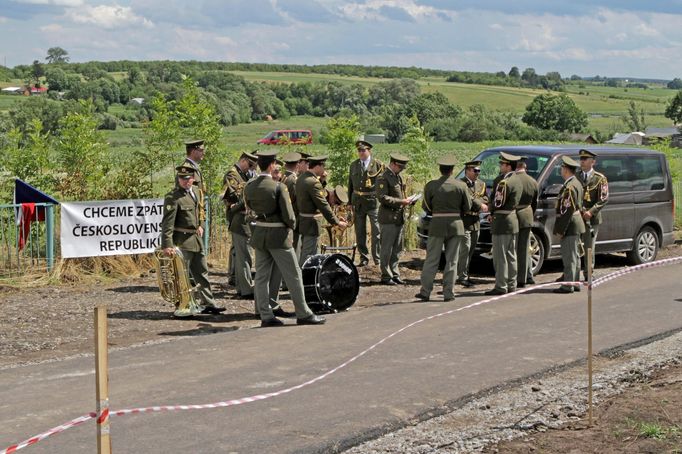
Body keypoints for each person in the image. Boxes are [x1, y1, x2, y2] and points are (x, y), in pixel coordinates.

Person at [243, 150, 326, 327]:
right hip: (279, 237)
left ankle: (264, 313)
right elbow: (289, 217)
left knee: (261, 276)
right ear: (272, 165)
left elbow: (249, 210)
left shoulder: (249, 186)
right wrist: (291, 227)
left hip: (259, 234)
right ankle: (303, 313)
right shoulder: (279, 187)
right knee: (294, 275)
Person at [161, 165, 225, 315]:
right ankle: (182, 306)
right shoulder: (173, 197)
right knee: (181, 276)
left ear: (193, 178)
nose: (184, 181)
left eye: (187, 178)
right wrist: (167, 245)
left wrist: (201, 225)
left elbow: (201, 211)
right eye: (181, 178)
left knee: (202, 272)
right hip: (182, 241)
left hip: (196, 239)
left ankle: (208, 302)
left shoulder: (196, 192)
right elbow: (167, 223)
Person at [415, 156, 472, 302]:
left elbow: (426, 207)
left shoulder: (431, 186)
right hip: (456, 225)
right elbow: (468, 207)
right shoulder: (461, 186)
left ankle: (425, 291)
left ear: (440, 169)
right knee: (452, 260)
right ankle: (448, 292)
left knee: (432, 259)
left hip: (437, 224)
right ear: (452, 170)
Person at [296, 155, 348, 265]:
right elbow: (323, 205)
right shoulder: (313, 182)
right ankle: (302, 280)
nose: (324, 169)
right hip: (311, 225)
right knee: (309, 257)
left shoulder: (302, 178)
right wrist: (337, 222)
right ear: (318, 166)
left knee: (307, 253)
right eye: (323, 166)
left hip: (303, 222)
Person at [485, 152, 522, 296]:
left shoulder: (504, 183)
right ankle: (512, 283)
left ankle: (501, 285)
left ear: (508, 166)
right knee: (511, 254)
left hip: (502, 220)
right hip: (512, 219)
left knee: (500, 256)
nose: (500, 166)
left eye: (502, 164)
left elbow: (497, 203)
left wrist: (490, 210)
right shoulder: (517, 180)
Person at [222, 152, 258, 299]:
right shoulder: (232, 174)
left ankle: (239, 282)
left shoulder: (244, 175)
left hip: (243, 216)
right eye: (249, 165)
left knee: (239, 253)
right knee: (244, 255)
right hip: (238, 217)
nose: (250, 169)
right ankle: (245, 287)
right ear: (243, 161)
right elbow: (236, 196)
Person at [377, 153, 412, 285]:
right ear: (393, 164)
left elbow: (400, 194)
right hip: (388, 218)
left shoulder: (398, 177)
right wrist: (401, 202)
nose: (402, 169)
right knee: (386, 248)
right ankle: (386, 275)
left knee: (397, 248)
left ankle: (395, 273)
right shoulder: (383, 177)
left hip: (398, 218)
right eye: (400, 166)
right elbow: (382, 197)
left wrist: (408, 201)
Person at [348, 140, 384, 266]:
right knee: (360, 231)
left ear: (369, 151)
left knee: (376, 231)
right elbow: (350, 185)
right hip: (358, 202)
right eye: (359, 150)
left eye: (363, 150)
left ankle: (377, 258)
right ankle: (363, 257)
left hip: (373, 202)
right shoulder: (354, 165)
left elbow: (382, 184)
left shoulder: (378, 164)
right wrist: (349, 202)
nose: (361, 153)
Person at [554, 156, 585, 294]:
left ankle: (568, 285)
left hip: (571, 224)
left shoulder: (569, 187)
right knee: (575, 255)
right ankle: (575, 282)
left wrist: (561, 230)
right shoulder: (576, 183)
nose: (561, 171)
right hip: (576, 223)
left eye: (561, 168)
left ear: (566, 169)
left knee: (569, 256)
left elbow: (566, 211)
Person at [456, 160, 489, 288]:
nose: (477, 173)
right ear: (468, 171)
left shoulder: (481, 184)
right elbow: (469, 200)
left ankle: (465, 274)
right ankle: (462, 276)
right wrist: (479, 204)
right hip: (464, 220)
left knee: (471, 250)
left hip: (476, 221)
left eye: (479, 171)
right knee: (465, 249)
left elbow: (486, 198)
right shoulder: (461, 184)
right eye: (475, 171)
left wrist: (480, 202)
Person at [578, 149, 609, 278]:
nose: (582, 161)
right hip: (578, 217)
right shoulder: (576, 176)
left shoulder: (599, 178)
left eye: (585, 159)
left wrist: (591, 212)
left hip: (592, 219)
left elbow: (604, 198)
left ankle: (588, 274)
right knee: (575, 246)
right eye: (581, 159)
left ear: (593, 162)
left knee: (589, 247)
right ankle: (572, 274)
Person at [515, 157, 539, 288]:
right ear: (525, 167)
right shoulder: (533, 181)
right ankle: (528, 276)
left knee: (514, 248)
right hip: (527, 215)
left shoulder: (511, 180)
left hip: (514, 215)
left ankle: (520, 278)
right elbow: (535, 202)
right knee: (525, 248)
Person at [183, 139, 208, 223]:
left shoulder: (195, 167)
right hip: (192, 216)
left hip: (198, 214)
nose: (203, 153)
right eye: (201, 150)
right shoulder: (187, 169)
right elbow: (184, 196)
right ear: (193, 151)